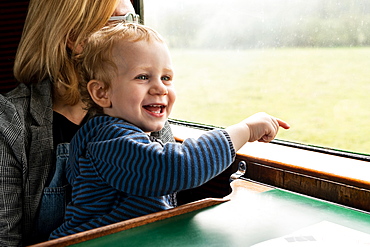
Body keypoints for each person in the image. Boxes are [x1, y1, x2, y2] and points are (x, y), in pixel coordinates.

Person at [49, 22, 290, 239]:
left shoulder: (124, 133)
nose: (160, 88)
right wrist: (243, 131)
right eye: (143, 77)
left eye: (166, 78)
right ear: (102, 93)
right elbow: (176, 167)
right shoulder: (109, 139)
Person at [0, 0, 174, 246]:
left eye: (135, 20)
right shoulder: (9, 122)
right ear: (75, 38)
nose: (136, 34)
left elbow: (164, 219)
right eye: (121, 23)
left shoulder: (144, 109)